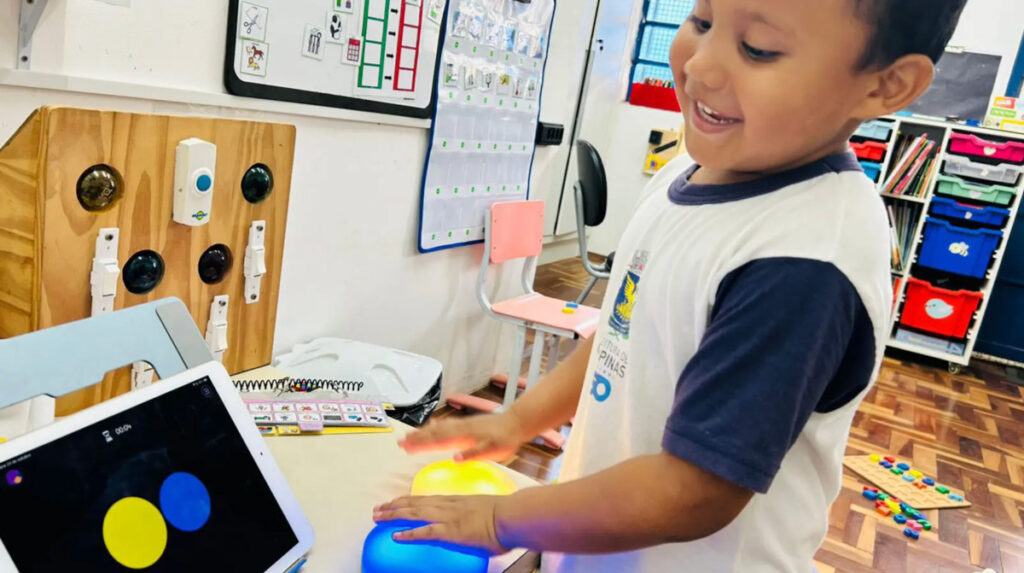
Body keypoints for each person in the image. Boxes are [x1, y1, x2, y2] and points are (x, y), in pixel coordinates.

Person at [373, 0, 967, 570]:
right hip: (596, 544)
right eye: (702, 19)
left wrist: (498, 520)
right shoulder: (687, 170)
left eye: (757, 49)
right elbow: (620, 339)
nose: (700, 64)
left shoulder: (804, 262)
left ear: (885, 86)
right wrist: (516, 421)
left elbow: (693, 491)